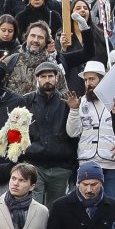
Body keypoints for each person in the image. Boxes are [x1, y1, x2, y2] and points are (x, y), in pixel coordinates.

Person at [22, 62, 79, 207]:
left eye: (50, 76)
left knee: (55, 208)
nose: (47, 79)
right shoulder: (26, 100)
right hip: (35, 164)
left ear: (56, 78)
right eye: (43, 76)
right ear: (37, 78)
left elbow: (73, 133)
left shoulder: (66, 101)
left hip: (60, 166)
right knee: (34, 207)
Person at [67, 61, 115, 199]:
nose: (88, 83)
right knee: (86, 204)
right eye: (85, 80)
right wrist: (73, 110)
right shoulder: (81, 102)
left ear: (102, 80)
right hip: (87, 162)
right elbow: (72, 132)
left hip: (113, 163)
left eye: (92, 79)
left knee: (111, 205)